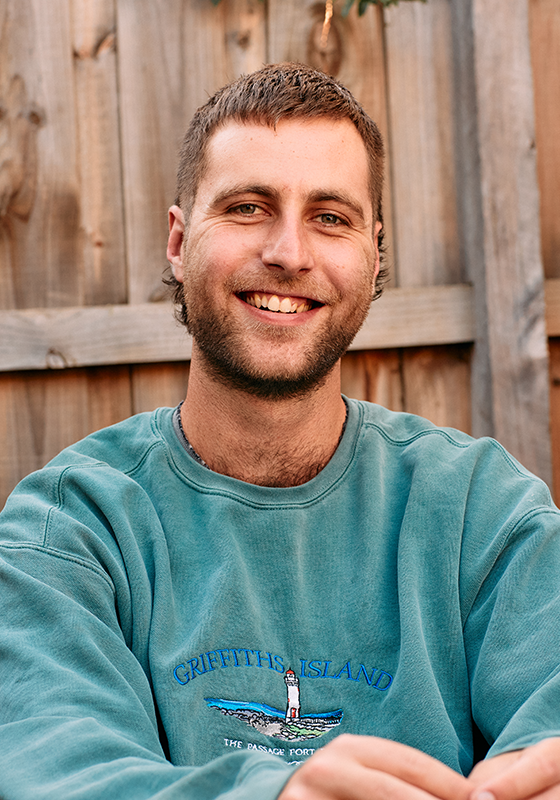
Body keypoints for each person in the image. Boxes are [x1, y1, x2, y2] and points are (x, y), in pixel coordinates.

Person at [1, 62, 560, 800]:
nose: (289, 253)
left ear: (375, 253)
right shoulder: (71, 526)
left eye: (331, 217)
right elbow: (59, 767)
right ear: (178, 241)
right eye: (247, 207)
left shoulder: (479, 512)